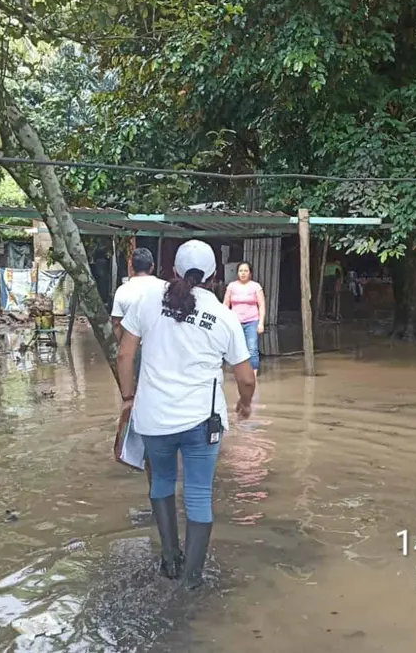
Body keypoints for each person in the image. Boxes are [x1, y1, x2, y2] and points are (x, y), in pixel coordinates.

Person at [116, 239, 257, 589]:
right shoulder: (223, 317)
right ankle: (193, 580)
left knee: (161, 483)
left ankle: (170, 561)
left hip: (153, 419)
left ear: (174, 271)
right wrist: (244, 403)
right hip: (201, 423)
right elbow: (246, 377)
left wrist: (128, 398)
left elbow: (124, 355)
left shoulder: (149, 300)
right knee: (197, 494)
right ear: (213, 278)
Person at [111, 248, 165, 371]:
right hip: (161, 347)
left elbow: (116, 324)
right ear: (152, 267)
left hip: (133, 346)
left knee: (134, 384)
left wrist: (124, 344)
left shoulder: (122, 290)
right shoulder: (165, 287)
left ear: (131, 267)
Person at [223, 262, 266, 375]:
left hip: (252, 321)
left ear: (250, 273)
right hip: (235, 322)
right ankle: (240, 374)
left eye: (246, 271)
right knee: (236, 349)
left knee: (252, 349)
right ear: (237, 273)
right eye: (241, 271)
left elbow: (262, 305)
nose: (243, 273)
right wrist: (224, 322)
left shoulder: (256, 286)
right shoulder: (231, 286)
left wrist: (261, 323)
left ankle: (254, 376)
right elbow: (225, 305)